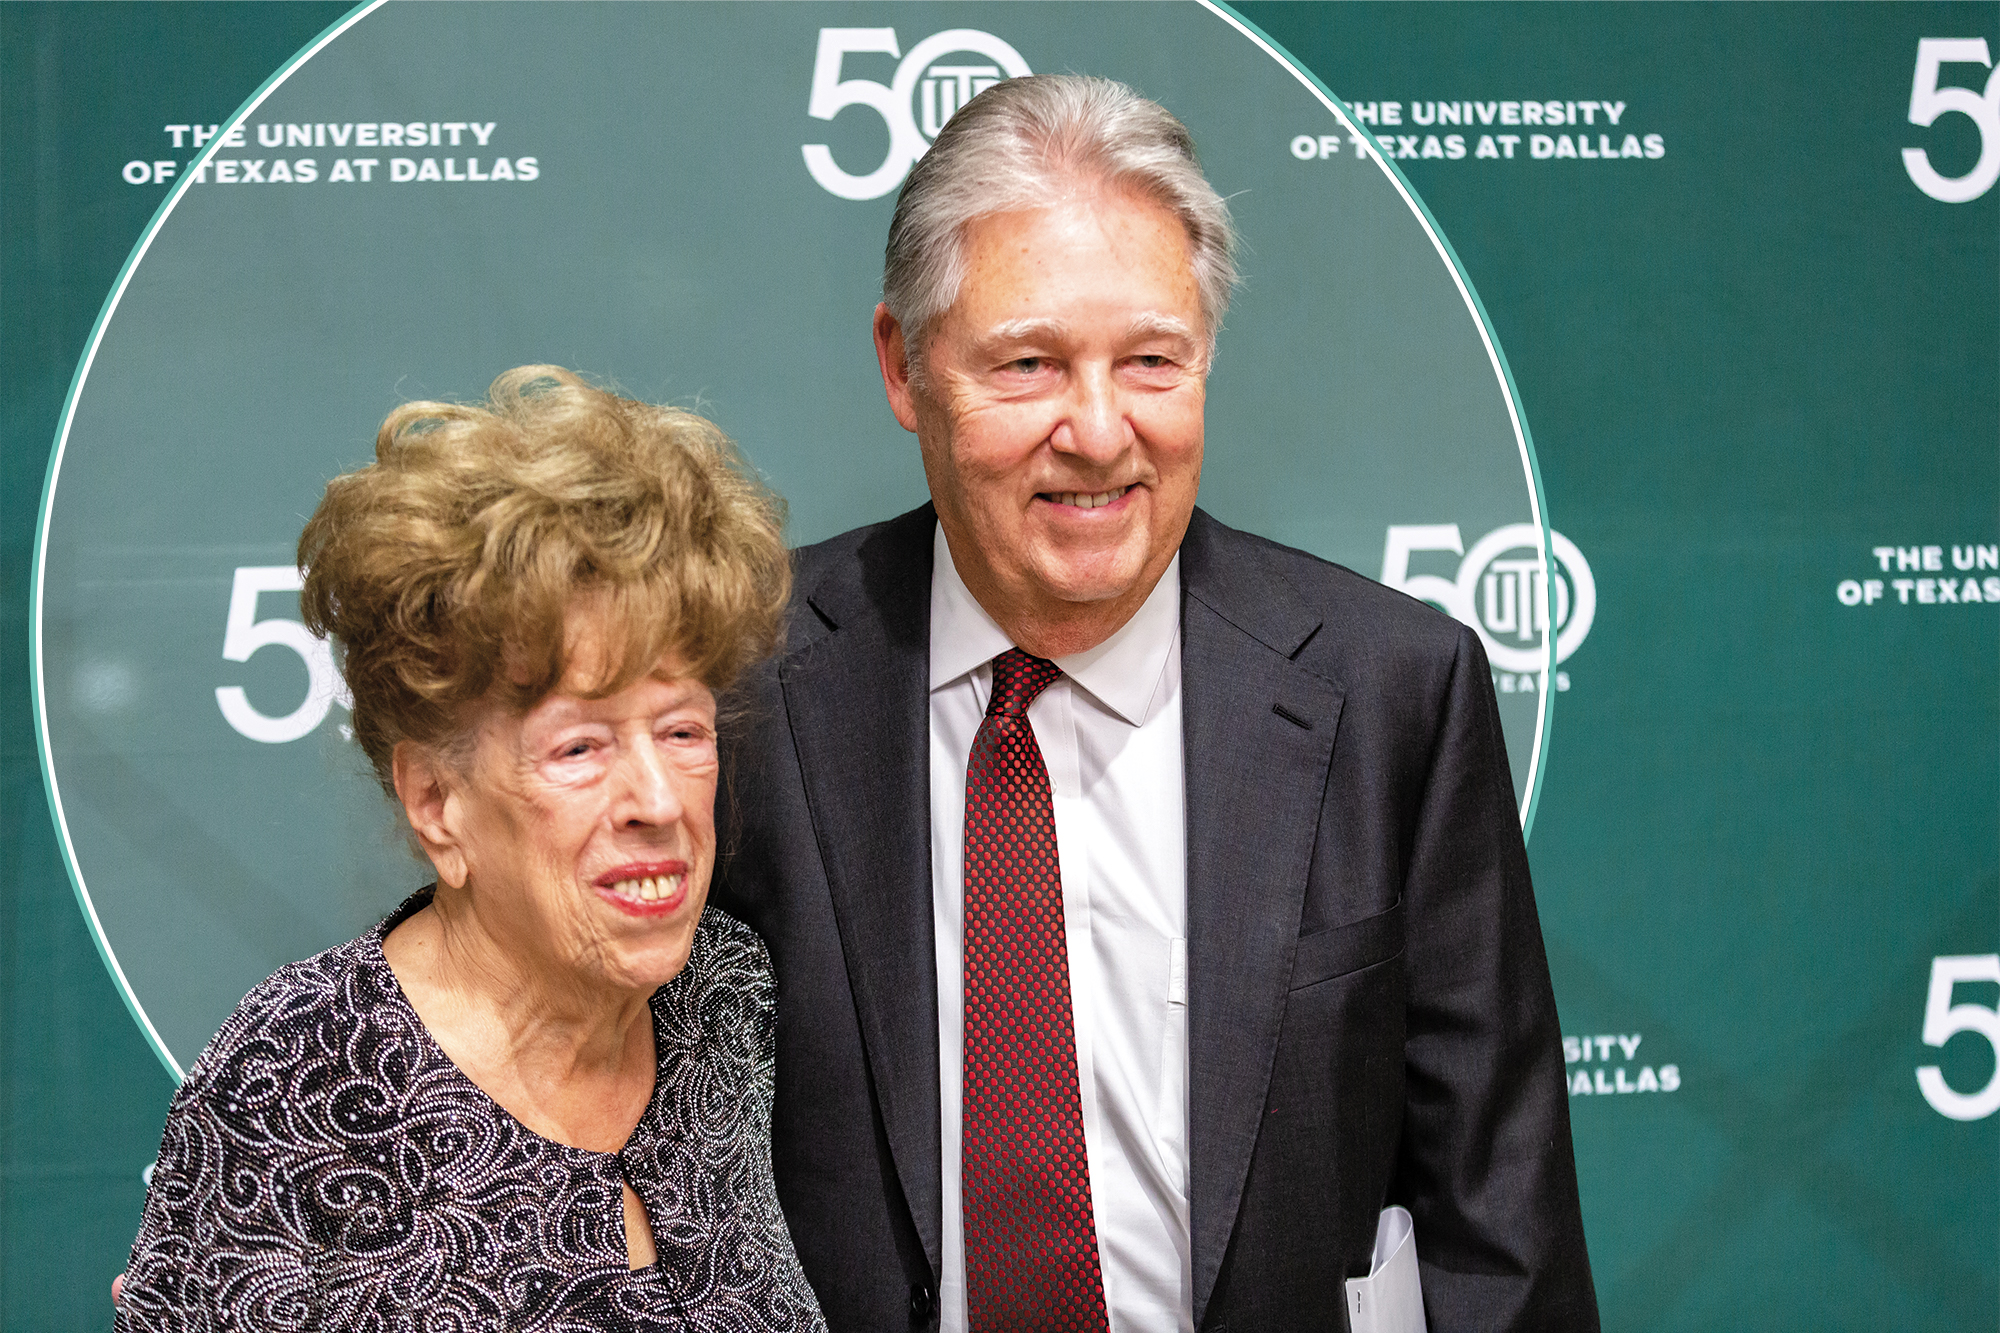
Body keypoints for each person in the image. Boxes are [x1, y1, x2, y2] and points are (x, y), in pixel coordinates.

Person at [710, 75, 1599, 1332]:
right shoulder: (738, 680)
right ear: (905, 368)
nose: (1096, 429)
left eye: (1148, 361)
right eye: (1028, 363)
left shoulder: (1392, 690)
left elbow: (1496, 1231)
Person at [115, 368, 825, 1332]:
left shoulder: (726, 994)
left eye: (682, 731)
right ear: (436, 800)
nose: (657, 800)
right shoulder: (293, 1089)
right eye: (579, 747)